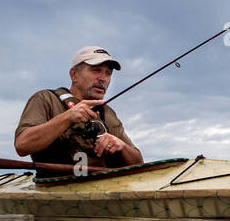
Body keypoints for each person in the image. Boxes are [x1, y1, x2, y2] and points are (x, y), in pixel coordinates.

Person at [14, 47, 143, 169]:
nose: (103, 78)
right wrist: (68, 117)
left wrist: (122, 146)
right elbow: (22, 145)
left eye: (108, 73)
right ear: (74, 74)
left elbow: (138, 163)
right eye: (96, 70)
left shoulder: (108, 113)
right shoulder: (46, 99)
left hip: (103, 188)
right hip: (57, 187)